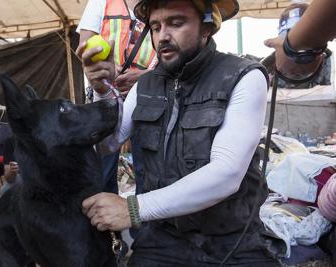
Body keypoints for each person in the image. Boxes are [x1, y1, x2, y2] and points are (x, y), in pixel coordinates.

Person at [78, 0, 277, 265]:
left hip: (233, 240)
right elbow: (108, 143)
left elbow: (226, 174)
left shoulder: (244, 77)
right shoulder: (146, 84)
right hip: (162, 240)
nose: (163, 37)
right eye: (156, 27)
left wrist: (133, 208)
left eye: (176, 23)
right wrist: (102, 91)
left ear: (207, 27)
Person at [76, 0, 157, 197]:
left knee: (147, 172)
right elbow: (84, 45)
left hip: (148, 97)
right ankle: (106, 223)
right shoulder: (100, 3)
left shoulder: (159, 4)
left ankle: (141, 223)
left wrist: (146, 76)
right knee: (102, 171)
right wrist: (103, 69)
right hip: (106, 99)